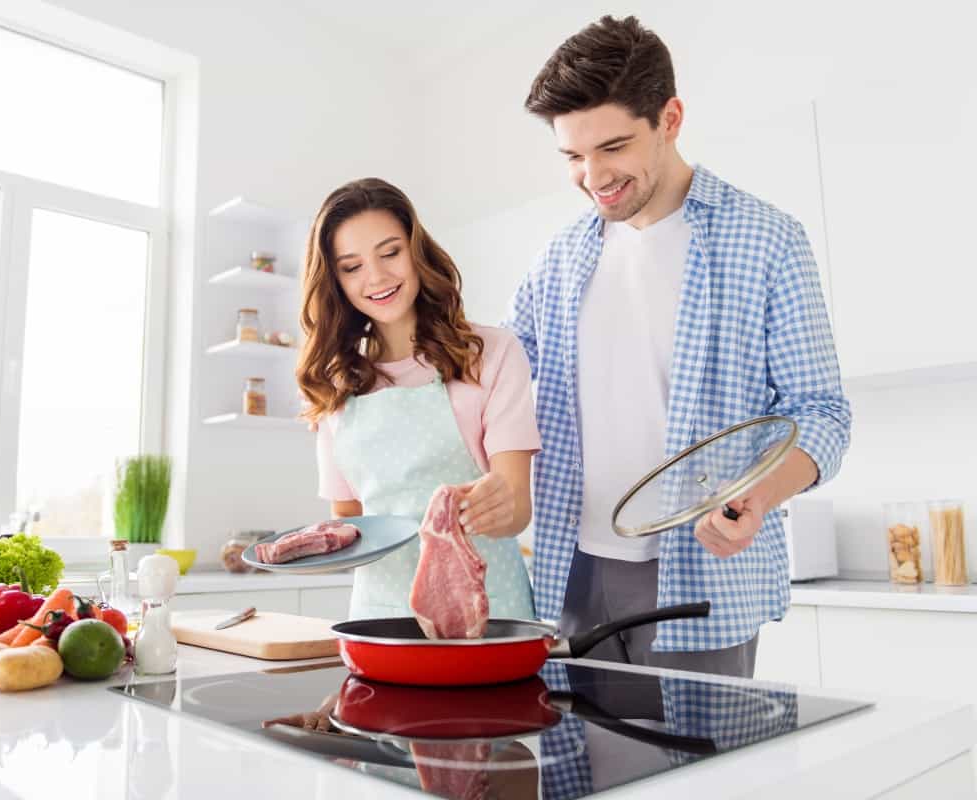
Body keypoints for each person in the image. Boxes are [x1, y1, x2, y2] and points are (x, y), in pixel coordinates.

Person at [507, 16, 851, 677]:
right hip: (570, 571)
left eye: (613, 146)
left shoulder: (767, 240)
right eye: (573, 157)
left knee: (702, 777)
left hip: (704, 576)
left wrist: (760, 497)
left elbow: (823, 411)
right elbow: (497, 380)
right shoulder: (556, 259)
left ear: (670, 117)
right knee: (587, 775)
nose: (592, 176)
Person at [299, 178, 538, 620]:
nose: (377, 277)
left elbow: (518, 507)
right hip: (380, 617)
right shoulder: (338, 383)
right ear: (335, 281)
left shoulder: (491, 354)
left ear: (416, 250)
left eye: (390, 252)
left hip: (486, 611)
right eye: (352, 267)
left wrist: (494, 506)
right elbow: (349, 518)